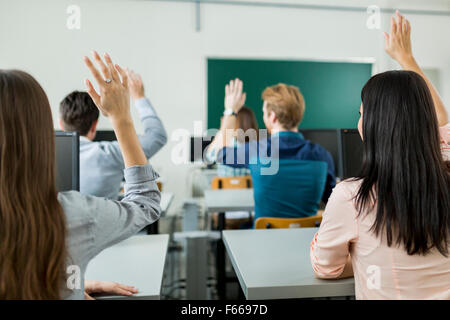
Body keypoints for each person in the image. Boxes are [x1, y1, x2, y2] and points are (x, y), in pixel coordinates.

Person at [310, 11, 449, 299]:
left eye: (361, 114)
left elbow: (326, 267)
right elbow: (442, 123)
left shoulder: (351, 196)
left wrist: (362, 256)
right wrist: (407, 59)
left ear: (372, 126)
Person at [0, 52, 161, 299]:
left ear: (60, 126)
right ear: (42, 135)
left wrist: (69, 284)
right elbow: (145, 203)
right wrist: (122, 115)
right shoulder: (70, 214)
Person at [208, 79, 336, 212]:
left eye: (264, 113)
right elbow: (332, 201)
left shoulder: (257, 150)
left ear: (273, 117)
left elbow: (216, 154)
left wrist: (230, 111)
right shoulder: (321, 155)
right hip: (307, 232)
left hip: (264, 231)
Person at [59, 59, 167, 199]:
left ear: (61, 124)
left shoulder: (43, 157)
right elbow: (157, 136)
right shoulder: (109, 154)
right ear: (94, 126)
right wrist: (139, 97)